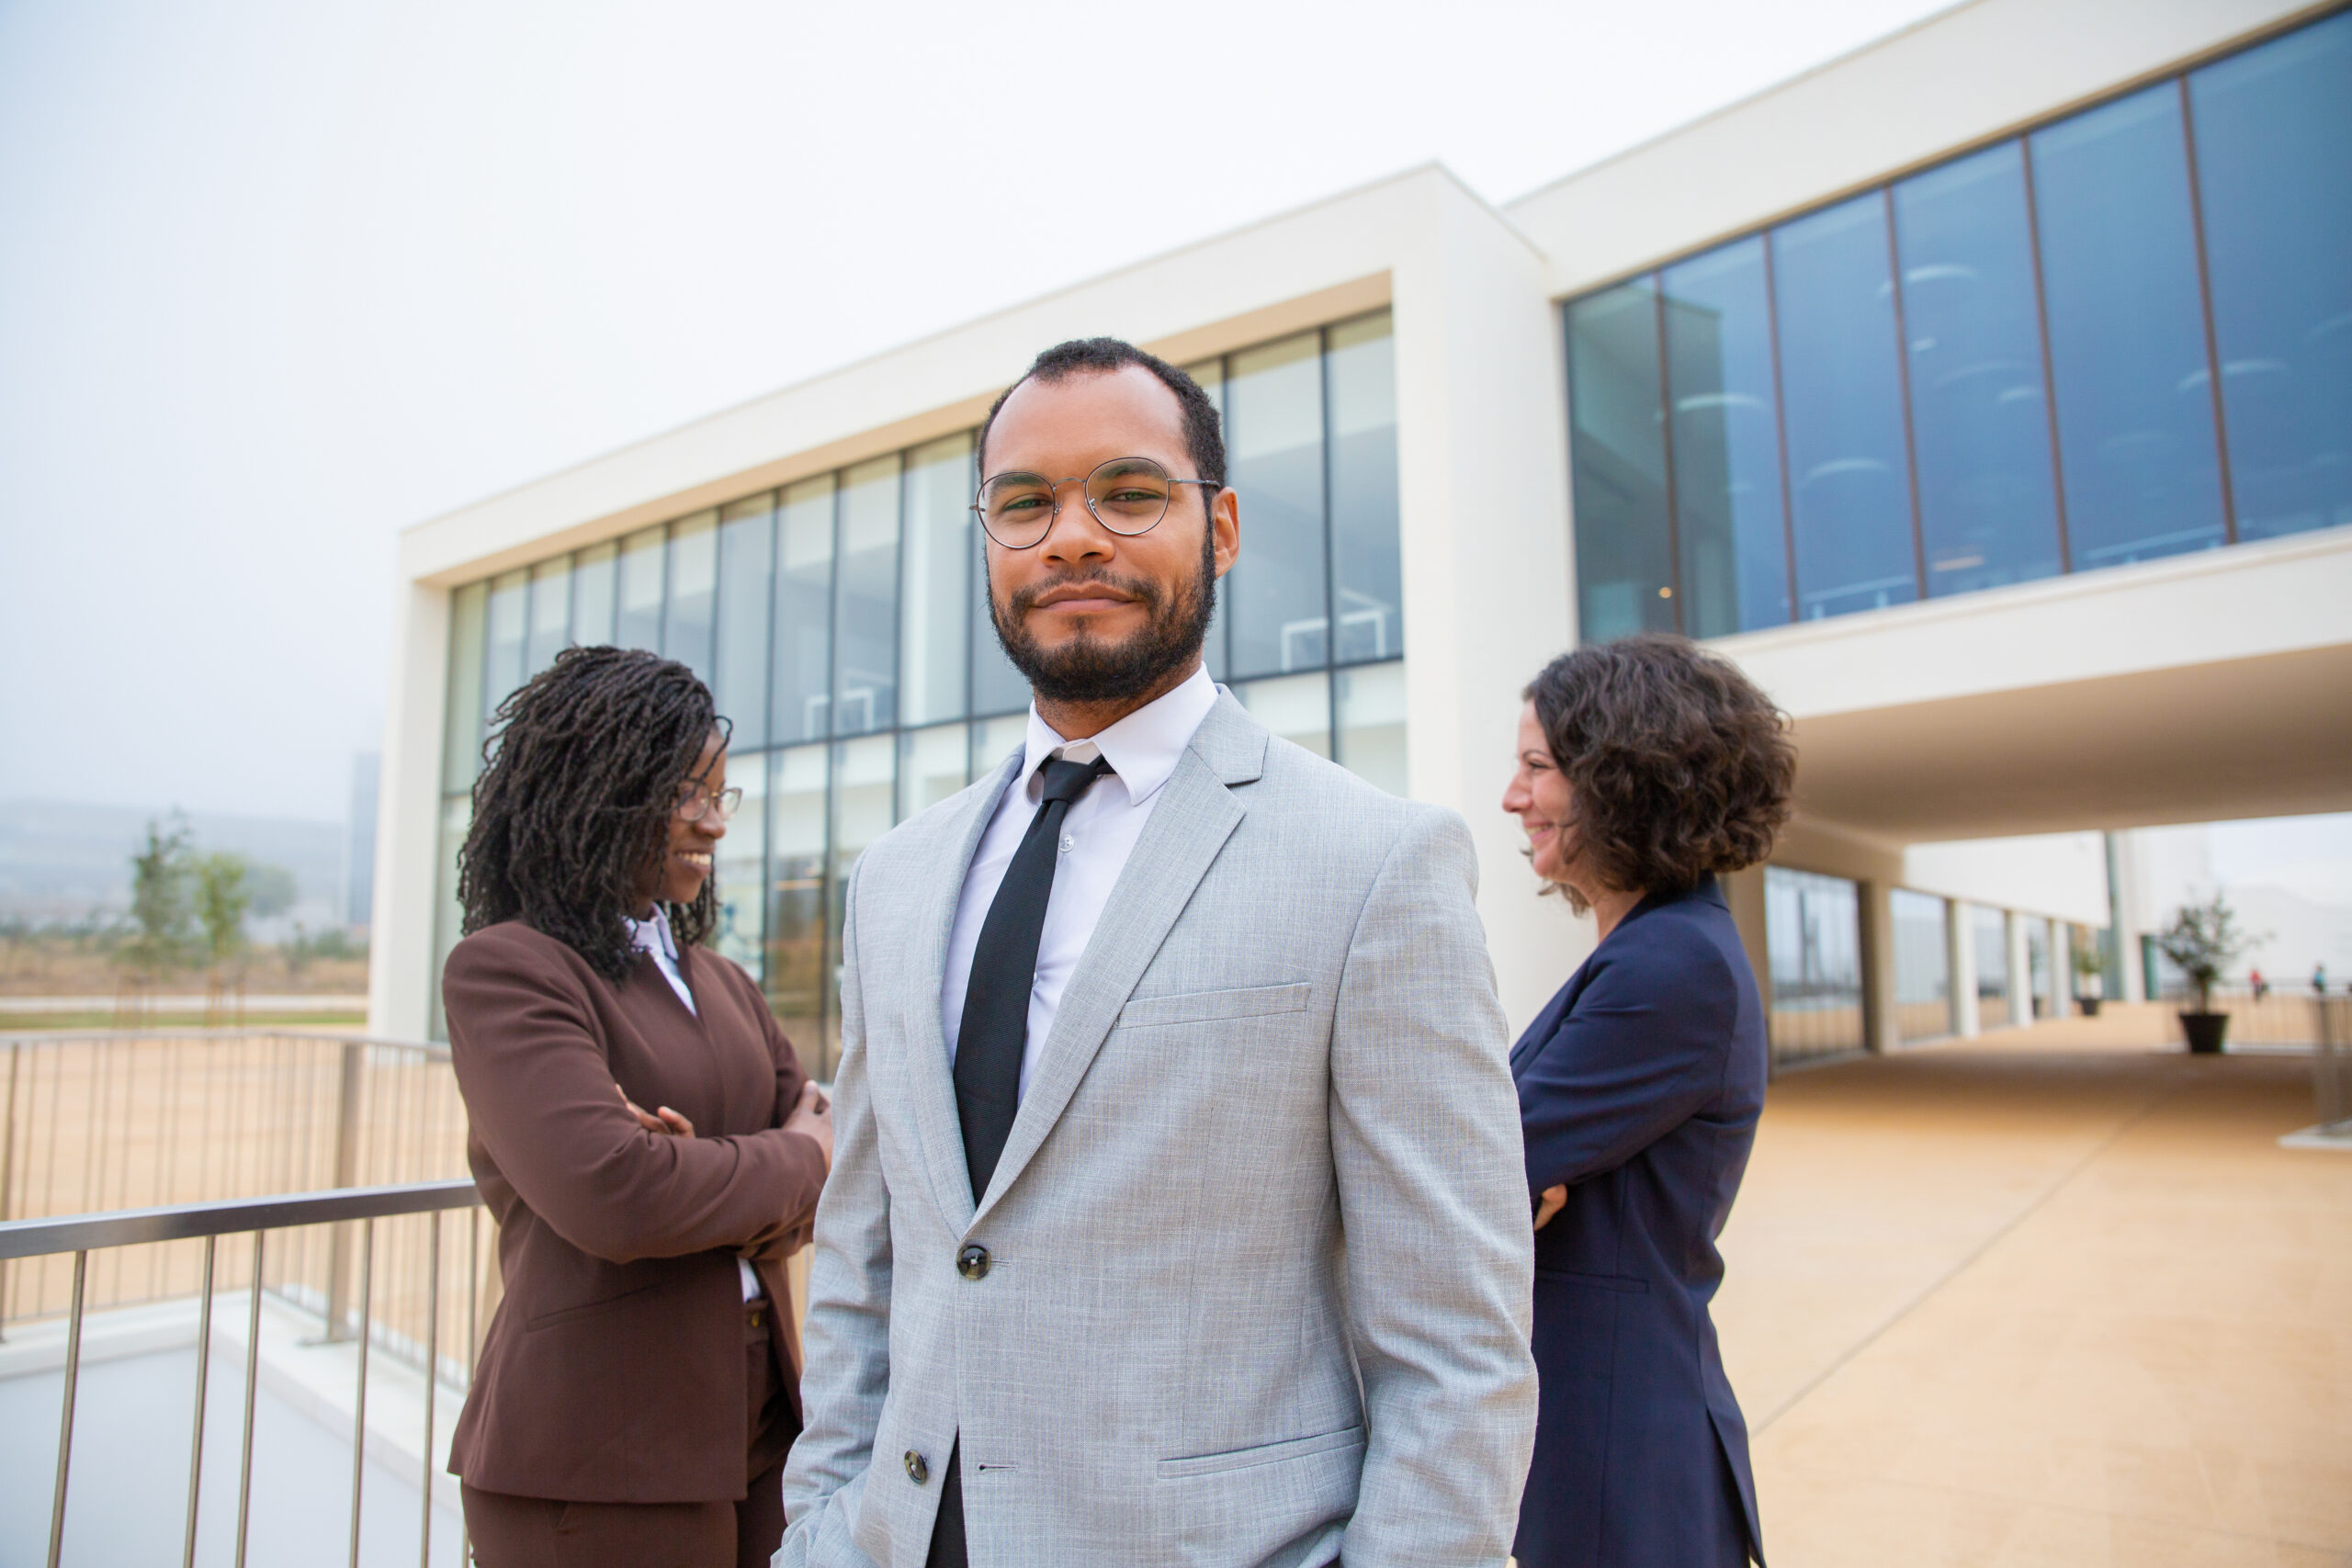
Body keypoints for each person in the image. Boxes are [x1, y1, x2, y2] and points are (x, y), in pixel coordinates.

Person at [777, 339, 1537, 1567]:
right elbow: (869, 1262)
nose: (1072, 537)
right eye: (1025, 502)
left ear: (1220, 528)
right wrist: (819, 1529)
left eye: (1128, 494)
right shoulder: (895, 880)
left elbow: (1456, 1343)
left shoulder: (1373, 864)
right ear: (987, 540)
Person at [440, 647, 835, 1568]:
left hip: (761, 1437)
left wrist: (704, 1177)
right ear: (597, 789)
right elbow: (618, 1196)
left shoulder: (726, 983)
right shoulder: (510, 969)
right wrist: (790, 1160)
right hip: (595, 1457)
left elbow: (837, 1155)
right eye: (686, 794)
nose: (714, 823)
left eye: (720, 796)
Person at [1502, 635, 1795, 1568]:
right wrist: (1514, 1178)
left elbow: (1473, 1165)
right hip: (1602, 1442)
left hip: (1620, 1458)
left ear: (1621, 779)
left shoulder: (1672, 965)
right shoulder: (1652, 949)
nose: (1512, 798)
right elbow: (1499, 1164)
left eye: (1536, 767)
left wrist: (1506, 1175)